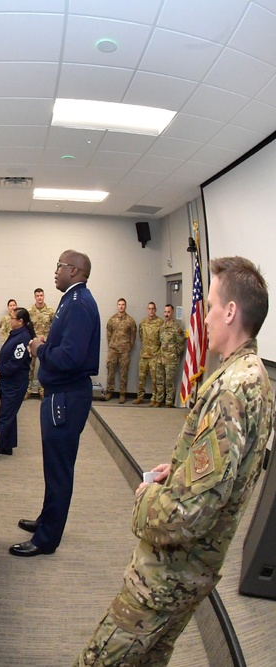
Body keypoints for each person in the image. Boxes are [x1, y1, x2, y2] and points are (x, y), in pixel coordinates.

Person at [77, 256, 273, 666]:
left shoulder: (231, 390)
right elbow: (227, 474)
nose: (203, 318)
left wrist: (147, 498)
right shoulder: (256, 377)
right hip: (197, 568)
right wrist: (179, 471)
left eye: (212, 307)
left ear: (231, 312)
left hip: (169, 572)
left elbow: (190, 511)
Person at [11, 250, 99, 557]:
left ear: (74, 270)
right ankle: (46, 519)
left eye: (59, 266)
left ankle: (47, 539)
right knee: (53, 466)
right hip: (61, 394)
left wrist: (40, 348)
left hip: (65, 396)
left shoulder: (78, 304)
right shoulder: (72, 300)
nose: (55, 271)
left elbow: (70, 357)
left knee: (59, 469)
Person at [0, 308, 33, 456]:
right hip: (7, 381)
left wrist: (1, 373)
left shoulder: (23, 338)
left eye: (12, 318)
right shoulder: (15, 334)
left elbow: (16, 362)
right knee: (9, 414)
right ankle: (6, 446)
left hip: (14, 384)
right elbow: (6, 355)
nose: (10, 320)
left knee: (4, 416)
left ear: (20, 321)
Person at [103, 298, 137, 403]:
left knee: (124, 372)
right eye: (119, 304)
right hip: (113, 350)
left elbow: (133, 336)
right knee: (111, 371)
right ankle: (109, 391)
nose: (121, 306)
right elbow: (108, 334)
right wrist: (112, 345)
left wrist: (128, 347)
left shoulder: (130, 321)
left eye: (123, 304)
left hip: (124, 351)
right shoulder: (112, 319)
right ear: (117, 306)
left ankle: (122, 393)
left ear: (125, 306)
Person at [152, 304, 185, 408]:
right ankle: (159, 400)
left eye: (168, 312)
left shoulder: (176, 328)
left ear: (172, 312)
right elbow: (159, 342)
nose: (166, 314)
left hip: (171, 360)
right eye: (165, 312)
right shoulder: (161, 327)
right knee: (159, 380)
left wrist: (173, 354)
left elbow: (180, 345)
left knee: (169, 382)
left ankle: (169, 402)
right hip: (161, 358)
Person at [27, 288, 55, 398]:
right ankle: (27, 390)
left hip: (45, 344)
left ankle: (42, 390)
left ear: (44, 296)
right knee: (30, 367)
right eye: (37, 296)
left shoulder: (50, 311)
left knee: (45, 367)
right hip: (33, 342)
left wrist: (49, 339)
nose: (40, 298)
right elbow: (26, 327)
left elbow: (55, 327)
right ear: (35, 297)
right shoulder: (29, 311)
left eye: (41, 295)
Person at [134, 302, 163, 405]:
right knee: (141, 377)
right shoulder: (143, 322)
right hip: (144, 354)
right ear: (147, 310)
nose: (151, 311)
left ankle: (154, 398)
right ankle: (140, 397)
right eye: (149, 309)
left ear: (155, 310)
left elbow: (162, 338)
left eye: (153, 309)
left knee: (155, 379)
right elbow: (141, 336)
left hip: (154, 355)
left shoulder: (160, 322)